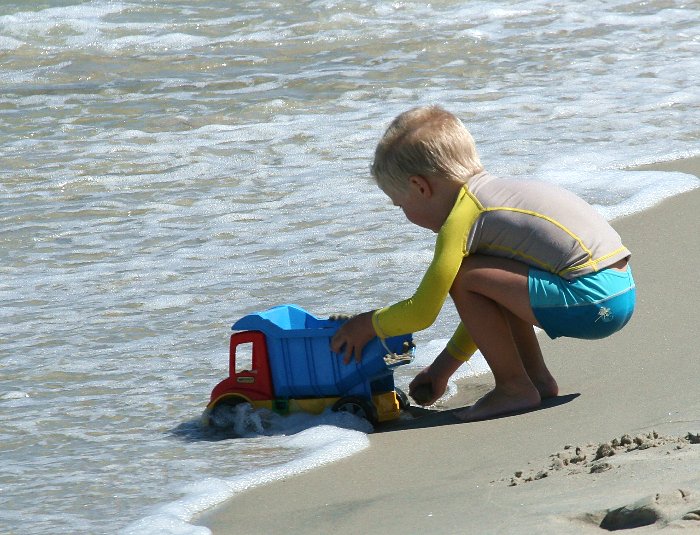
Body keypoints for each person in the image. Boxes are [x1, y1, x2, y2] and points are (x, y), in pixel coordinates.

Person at [330, 105, 636, 422]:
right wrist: (442, 370)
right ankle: (535, 380)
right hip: (619, 290)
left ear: (421, 187)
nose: (405, 215)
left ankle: (514, 387)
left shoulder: (464, 218)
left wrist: (366, 325)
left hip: (589, 301)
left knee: (463, 276)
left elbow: (422, 311)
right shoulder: (498, 196)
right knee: (487, 279)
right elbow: (492, 300)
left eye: (401, 205)